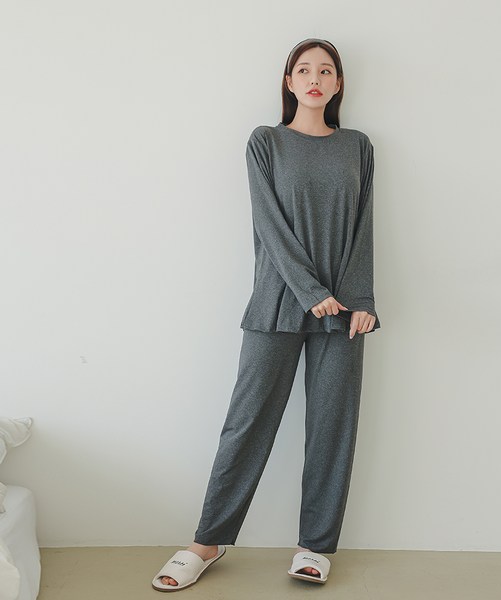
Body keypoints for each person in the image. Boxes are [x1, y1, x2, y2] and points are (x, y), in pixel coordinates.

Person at [151, 37, 381, 592]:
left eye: (326, 71)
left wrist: (362, 300)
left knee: (333, 427)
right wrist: (309, 289)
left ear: (339, 83)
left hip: (343, 310)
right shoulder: (266, 142)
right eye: (304, 70)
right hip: (277, 302)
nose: (314, 79)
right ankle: (207, 541)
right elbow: (268, 224)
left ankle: (315, 546)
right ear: (288, 81)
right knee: (247, 423)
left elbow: (364, 224)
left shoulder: (358, 146)